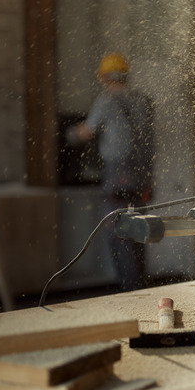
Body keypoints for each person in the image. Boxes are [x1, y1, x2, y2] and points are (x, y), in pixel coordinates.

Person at [69, 53, 155, 291]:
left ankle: (129, 290)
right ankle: (141, 287)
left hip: (118, 173)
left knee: (118, 232)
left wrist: (70, 134)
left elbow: (87, 132)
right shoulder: (143, 101)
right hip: (142, 174)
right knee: (140, 231)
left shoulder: (106, 101)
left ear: (106, 78)